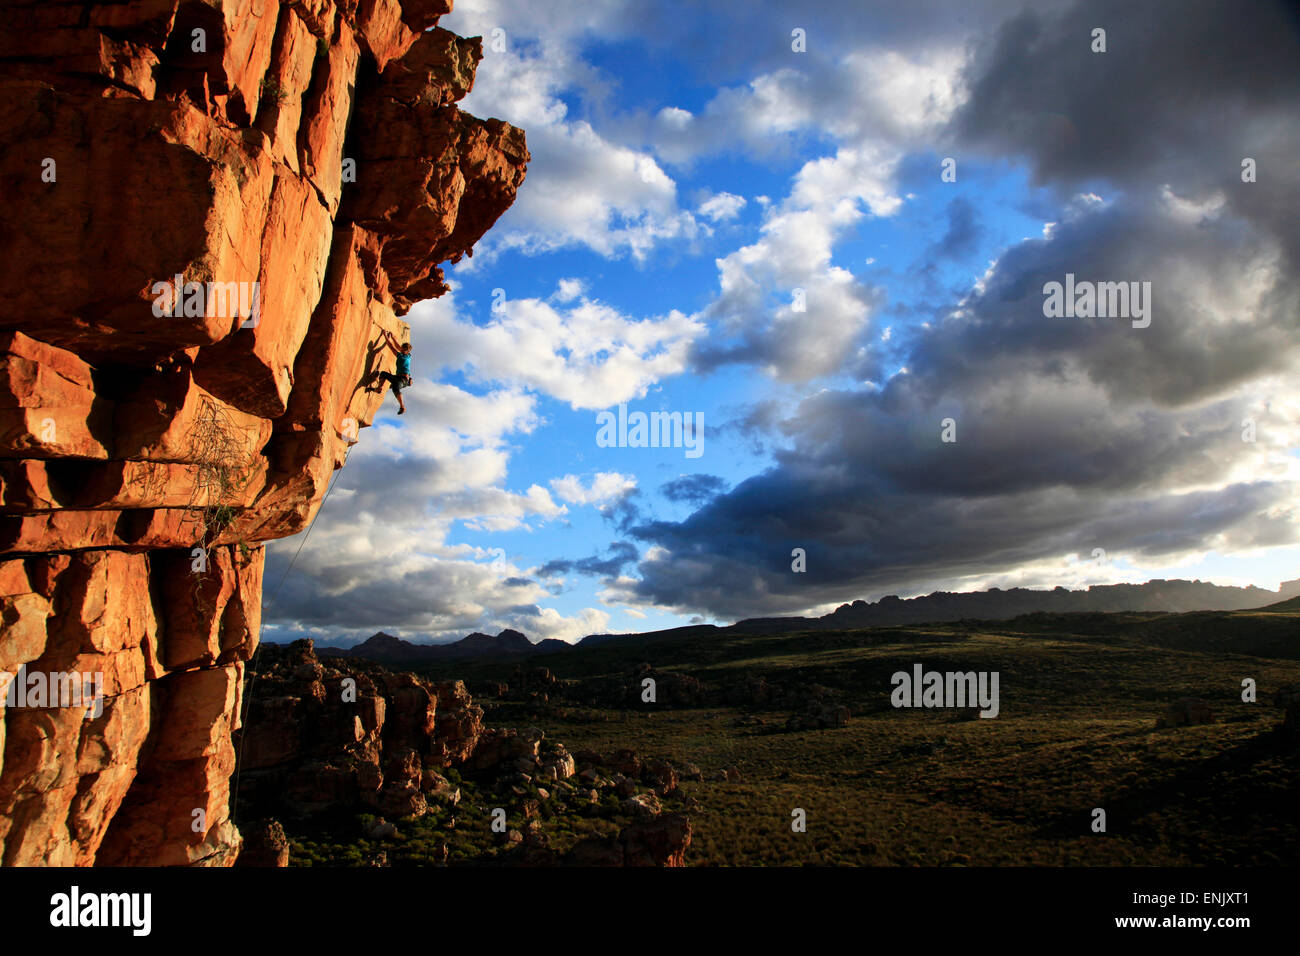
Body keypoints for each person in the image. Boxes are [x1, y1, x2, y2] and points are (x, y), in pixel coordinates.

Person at [376, 330, 413, 414]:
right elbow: (398, 347)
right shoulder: (409, 356)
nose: (401, 349)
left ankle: (402, 406)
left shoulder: (400, 356)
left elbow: (391, 346)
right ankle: (379, 388)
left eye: (403, 349)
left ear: (405, 350)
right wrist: (392, 337)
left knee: (393, 385)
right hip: (403, 379)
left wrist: (385, 336)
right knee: (385, 376)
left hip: (401, 379)